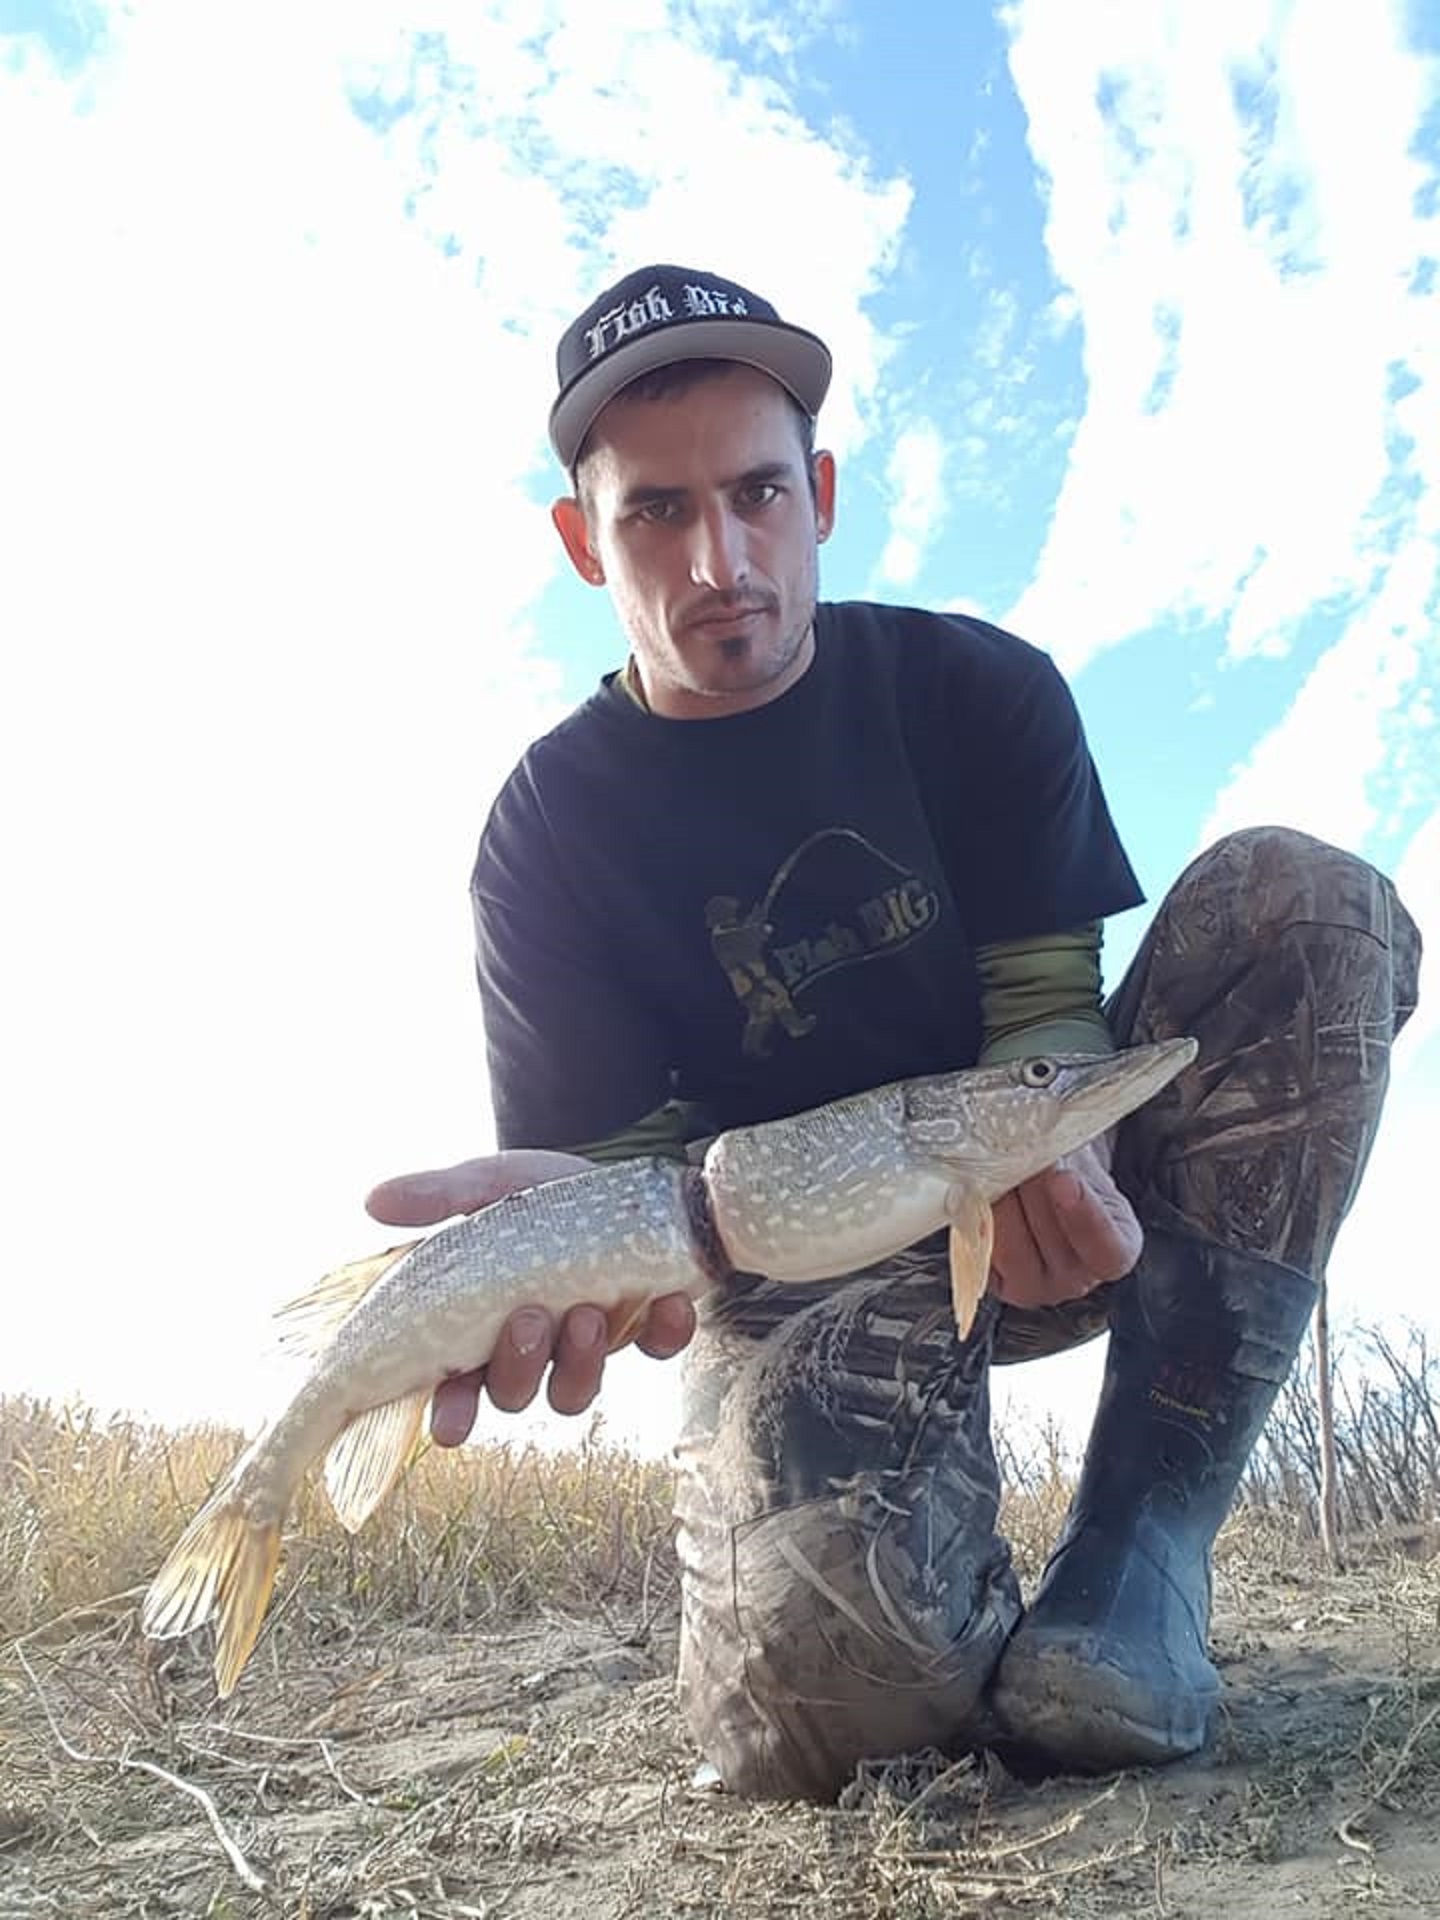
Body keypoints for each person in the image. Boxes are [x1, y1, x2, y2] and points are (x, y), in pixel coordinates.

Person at [368, 264, 1421, 1801]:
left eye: (757, 493)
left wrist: (1080, 1157)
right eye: (656, 512)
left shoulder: (976, 692)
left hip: (1046, 1200)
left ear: (824, 493)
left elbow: (1051, 1005)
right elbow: (625, 1191)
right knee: (819, 1733)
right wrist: (565, 1280)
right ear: (583, 540)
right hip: (790, 1286)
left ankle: (1143, 1548)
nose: (719, 557)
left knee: (1304, 902)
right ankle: (944, 1613)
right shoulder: (549, 832)